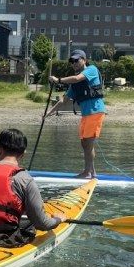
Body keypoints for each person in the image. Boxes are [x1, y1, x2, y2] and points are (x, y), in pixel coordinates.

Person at [46, 49, 106, 179]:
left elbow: (77, 78)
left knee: (88, 143)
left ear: (84, 60)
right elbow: (64, 100)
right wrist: (49, 113)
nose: (74, 63)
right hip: (86, 114)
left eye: (76, 60)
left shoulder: (91, 69)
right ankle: (92, 172)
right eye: (71, 61)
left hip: (95, 111)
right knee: (85, 143)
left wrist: (58, 80)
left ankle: (87, 172)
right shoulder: (74, 85)